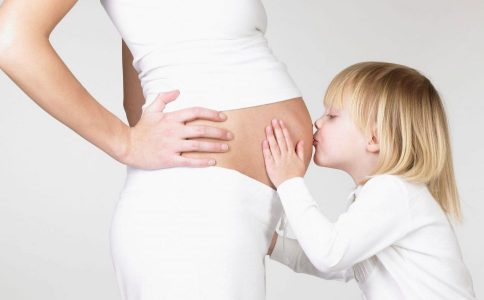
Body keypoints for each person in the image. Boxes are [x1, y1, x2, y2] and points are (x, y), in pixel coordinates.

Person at [0, 0, 313, 299]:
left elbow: (145, 69)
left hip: (233, 207)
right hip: (190, 207)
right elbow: (10, 38)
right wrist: (126, 143)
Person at [263, 61, 477, 300]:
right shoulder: (381, 196)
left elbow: (328, 254)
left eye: (332, 115)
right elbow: (339, 263)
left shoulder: (394, 191)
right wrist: (270, 242)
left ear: (374, 137)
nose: (318, 122)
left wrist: (289, 181)